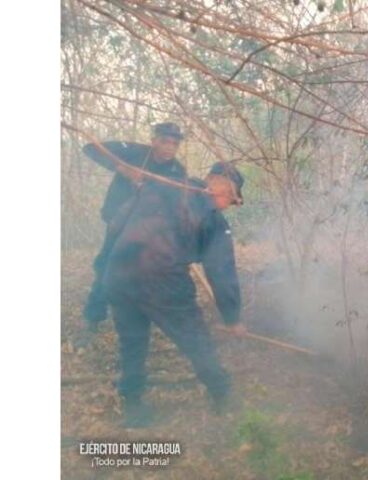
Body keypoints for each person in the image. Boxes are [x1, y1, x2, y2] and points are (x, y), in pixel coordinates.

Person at [96, 162, 247, 427]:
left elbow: (116, 223)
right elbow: (221, 270)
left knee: (132, 344)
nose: (227, 207)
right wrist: (232, 318)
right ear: (223, 188)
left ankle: (133, 407)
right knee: (195, 339)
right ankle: (223, 395)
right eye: (232, 200)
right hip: (162, 282)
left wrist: (105, 267)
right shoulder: (212, 216)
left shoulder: (160, 188)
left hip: (119, 276)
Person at [82, 122, 188, 327]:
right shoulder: (133, 152)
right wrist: (123, 169)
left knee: (143, 271)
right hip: (119, 223)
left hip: (148, 230)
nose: (169, 147)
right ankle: (94, 315)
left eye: (174, 144)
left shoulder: (177, 171)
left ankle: (137, 317)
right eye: (165, 141)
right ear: (154, 141)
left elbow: (176, 203)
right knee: (106, 266)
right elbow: (91, 149)